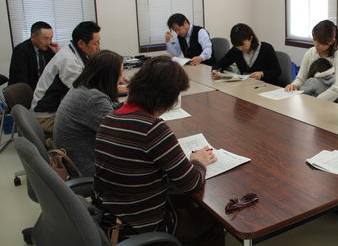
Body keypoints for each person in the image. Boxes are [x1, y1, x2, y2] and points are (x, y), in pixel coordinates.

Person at [93, 56, 224, 245]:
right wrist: (197, 161)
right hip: (141, 225)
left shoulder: (110, 117)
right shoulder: (153, 129)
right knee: (212, 220)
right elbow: (192, 183)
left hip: (110, 217)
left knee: (181, 199)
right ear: (167, 97)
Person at [53, 50, 123, 177]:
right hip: (87, 166)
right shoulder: (93, 99)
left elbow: (110, 109)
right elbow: (121, 135)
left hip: (77, 156)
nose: (121, 78)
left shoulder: (83, 87)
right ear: (109, 76)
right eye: (120, 74)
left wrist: (133, 105)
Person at [31, 21, 101, 135]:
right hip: (47, 118)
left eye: (99, 42)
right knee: (95, 127)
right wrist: (116, 88)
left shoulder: (75, 51)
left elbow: (91, 75)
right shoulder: (68, 61)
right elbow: (86, 92)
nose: (98, 47)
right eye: (95, 43)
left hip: (58, 109)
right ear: (81, 43)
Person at [285, 20, 338, 102]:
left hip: (334, 101)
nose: (316, 45)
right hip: (312, 98)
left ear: (331, 41)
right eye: (314, 40)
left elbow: (337, 88)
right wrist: (294, 85)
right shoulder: (311, 52)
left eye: (321, 42)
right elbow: (301, 78)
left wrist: (317, 101)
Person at [211, 23, 281, 85]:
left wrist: (262, 74)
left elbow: (277, 71)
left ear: (250, 38)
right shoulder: (236, 50)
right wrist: (215, 71)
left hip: (266, 87)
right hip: (246, 86)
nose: (240, 48)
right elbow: (220, 63)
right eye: (237, 46)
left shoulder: (266, 48)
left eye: (242, 45)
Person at [8, 21, 60, 90]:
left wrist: (58, 54)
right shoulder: (21, 51)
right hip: (27, 92)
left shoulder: (50, 49)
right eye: (45, 38)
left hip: (45, 91)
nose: (49, 42)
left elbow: (58, 73)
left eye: (51, 38)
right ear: (33, 37)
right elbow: (21, 81)